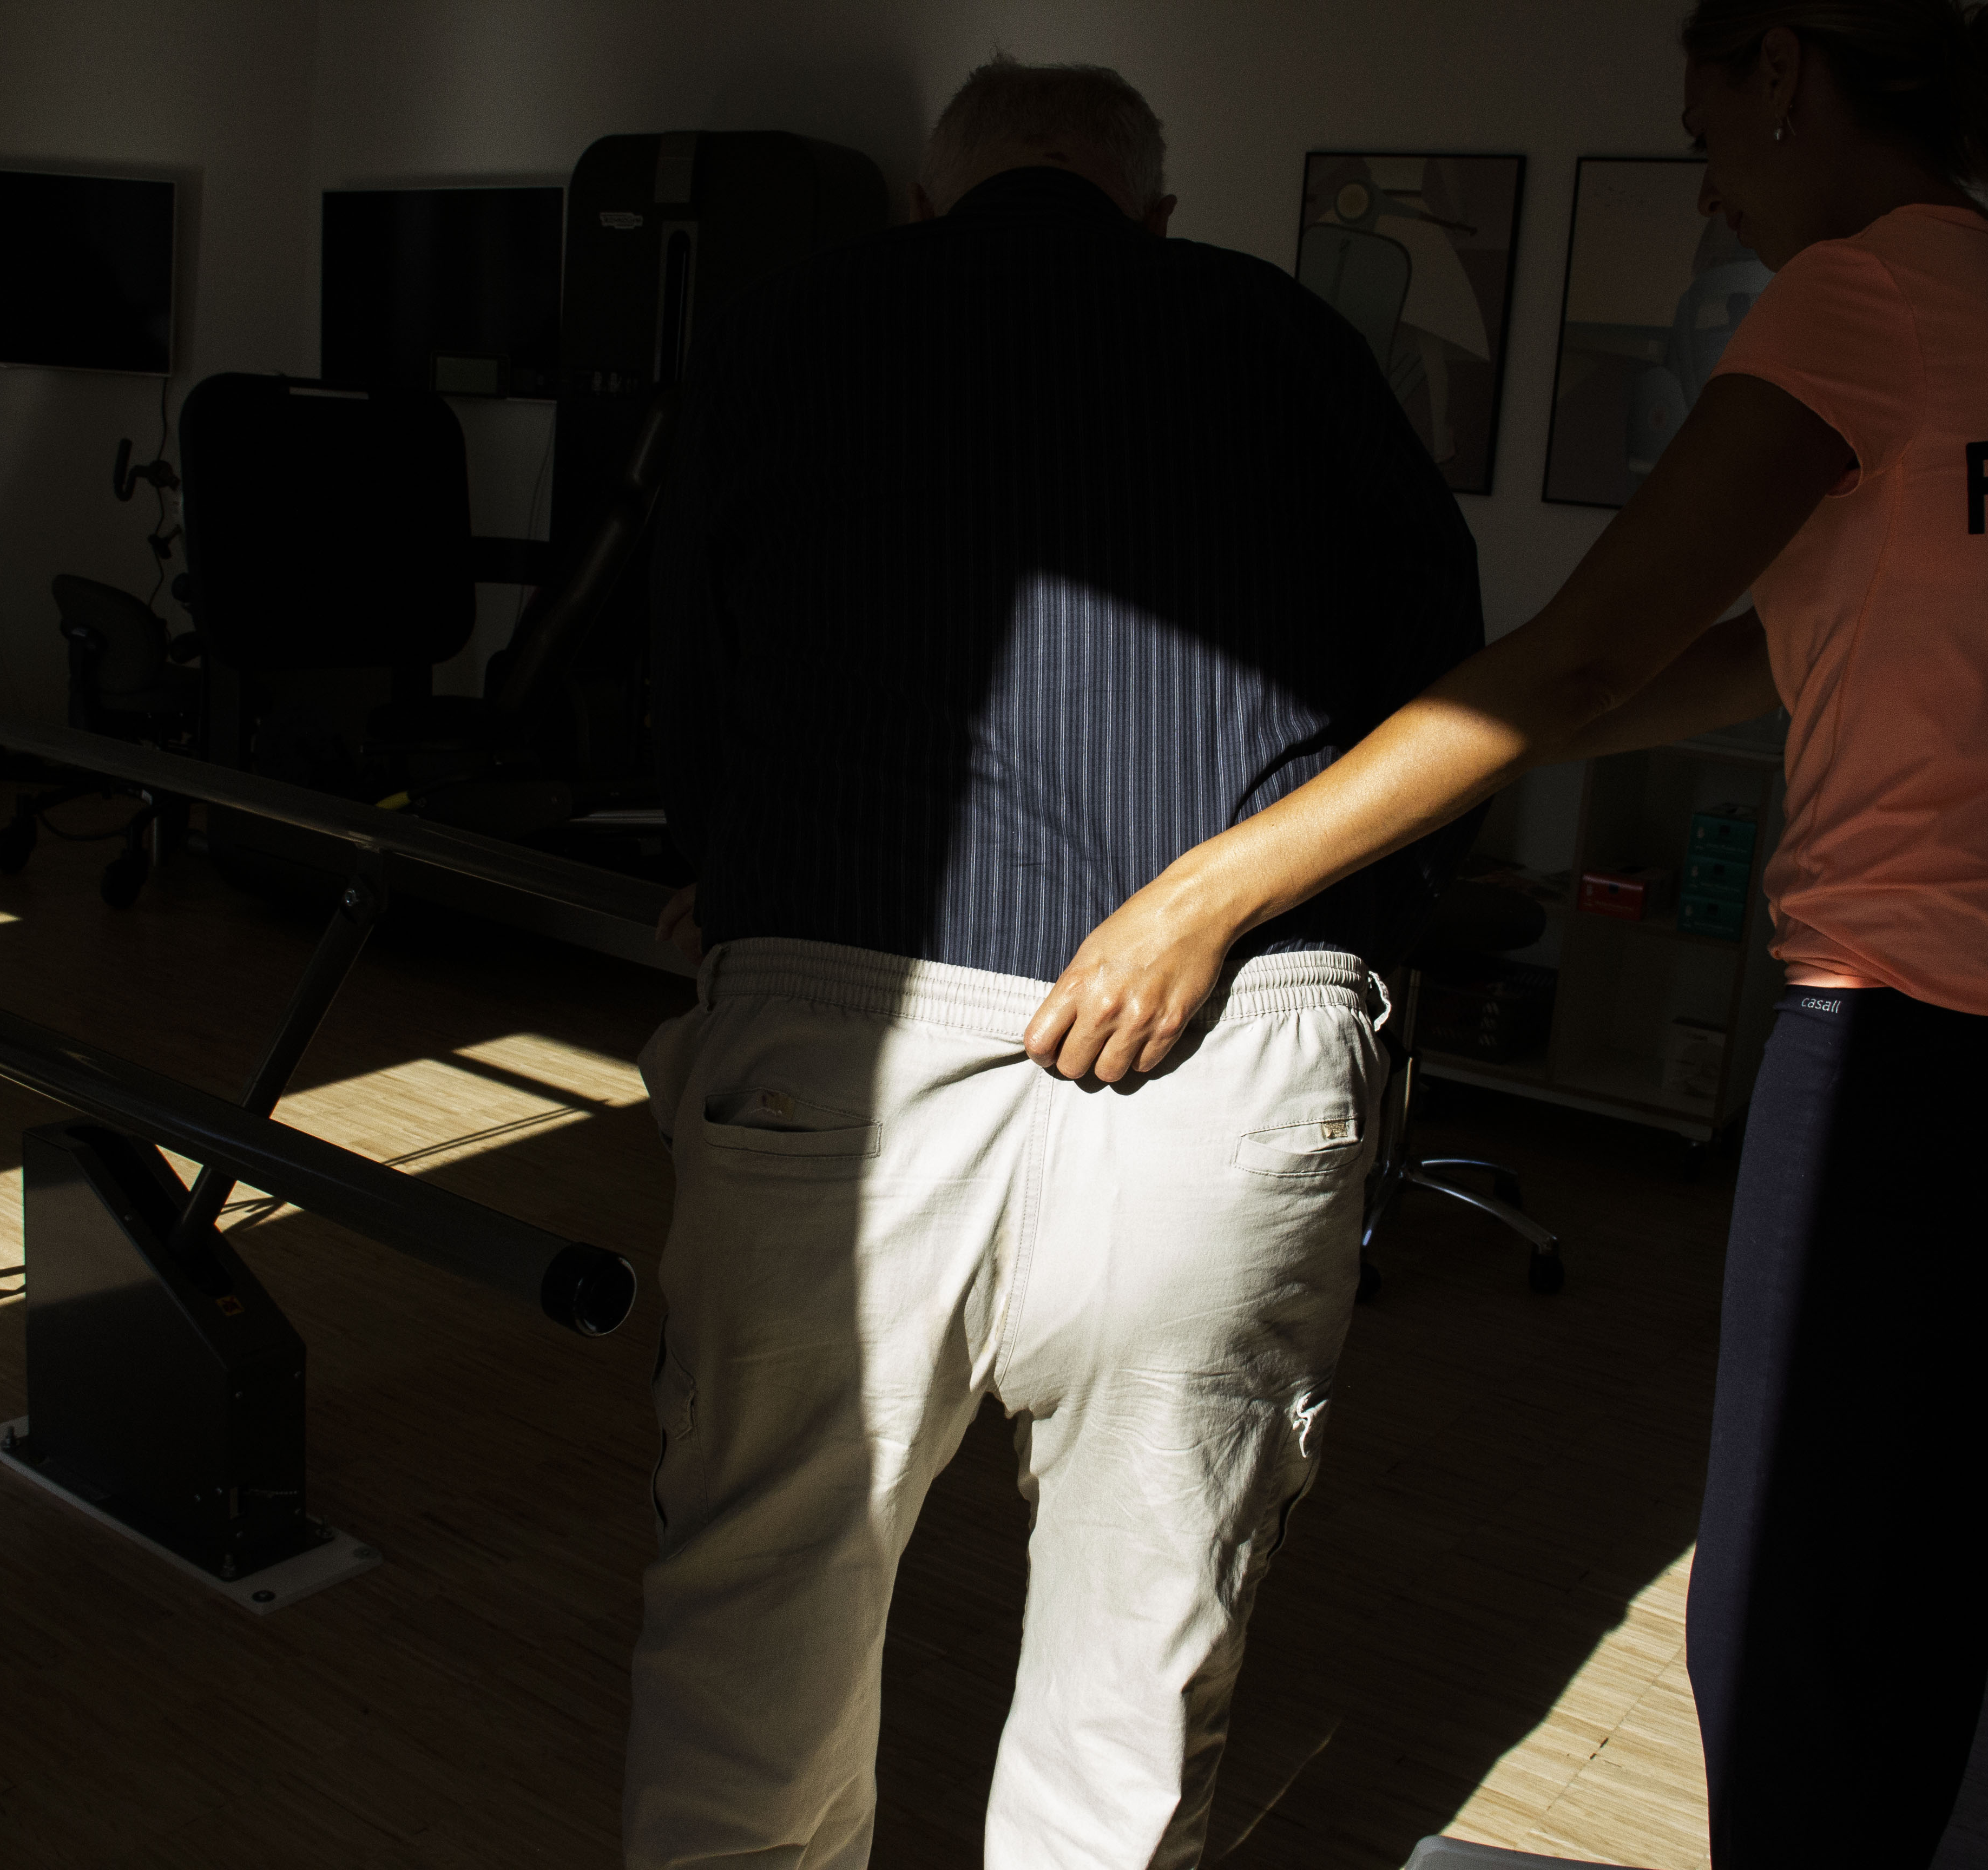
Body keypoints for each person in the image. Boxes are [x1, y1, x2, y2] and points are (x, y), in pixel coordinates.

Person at [1022, 4, 1988, 1864]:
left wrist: (1209, 885)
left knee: (1789, 1610)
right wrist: (1432, 737)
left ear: (1786, 70)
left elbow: (1582, 652)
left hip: (1924, 1034)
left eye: (1705, 130)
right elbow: (1765, 655)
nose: (1711, 193)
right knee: (1915, 1556)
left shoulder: (1861, 296)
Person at [627, 56, 1484, 1870]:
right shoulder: (1292, 338)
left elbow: (681, 663)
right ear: (1152, 212)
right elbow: (1445, 694)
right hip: (1226, 1044)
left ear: (928, 201)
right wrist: (1360, 953)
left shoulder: (788, 325)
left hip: (842, 1040)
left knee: (755, 1622)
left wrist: (736, 864)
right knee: (1138, 1673)